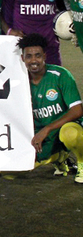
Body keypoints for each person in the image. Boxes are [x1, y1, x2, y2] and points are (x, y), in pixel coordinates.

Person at [18, 33, 83, 183]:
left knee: (71, 134)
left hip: (64, 128)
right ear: (22, 58)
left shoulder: (60, 75)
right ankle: (59, 157)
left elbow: (77, 110)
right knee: (11, 172)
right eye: (29, 56)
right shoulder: (18, 82)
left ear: (44, 56)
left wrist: (47, 129)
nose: (34, 60)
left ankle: (81, 161)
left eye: (38, 55)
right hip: (42, 136)